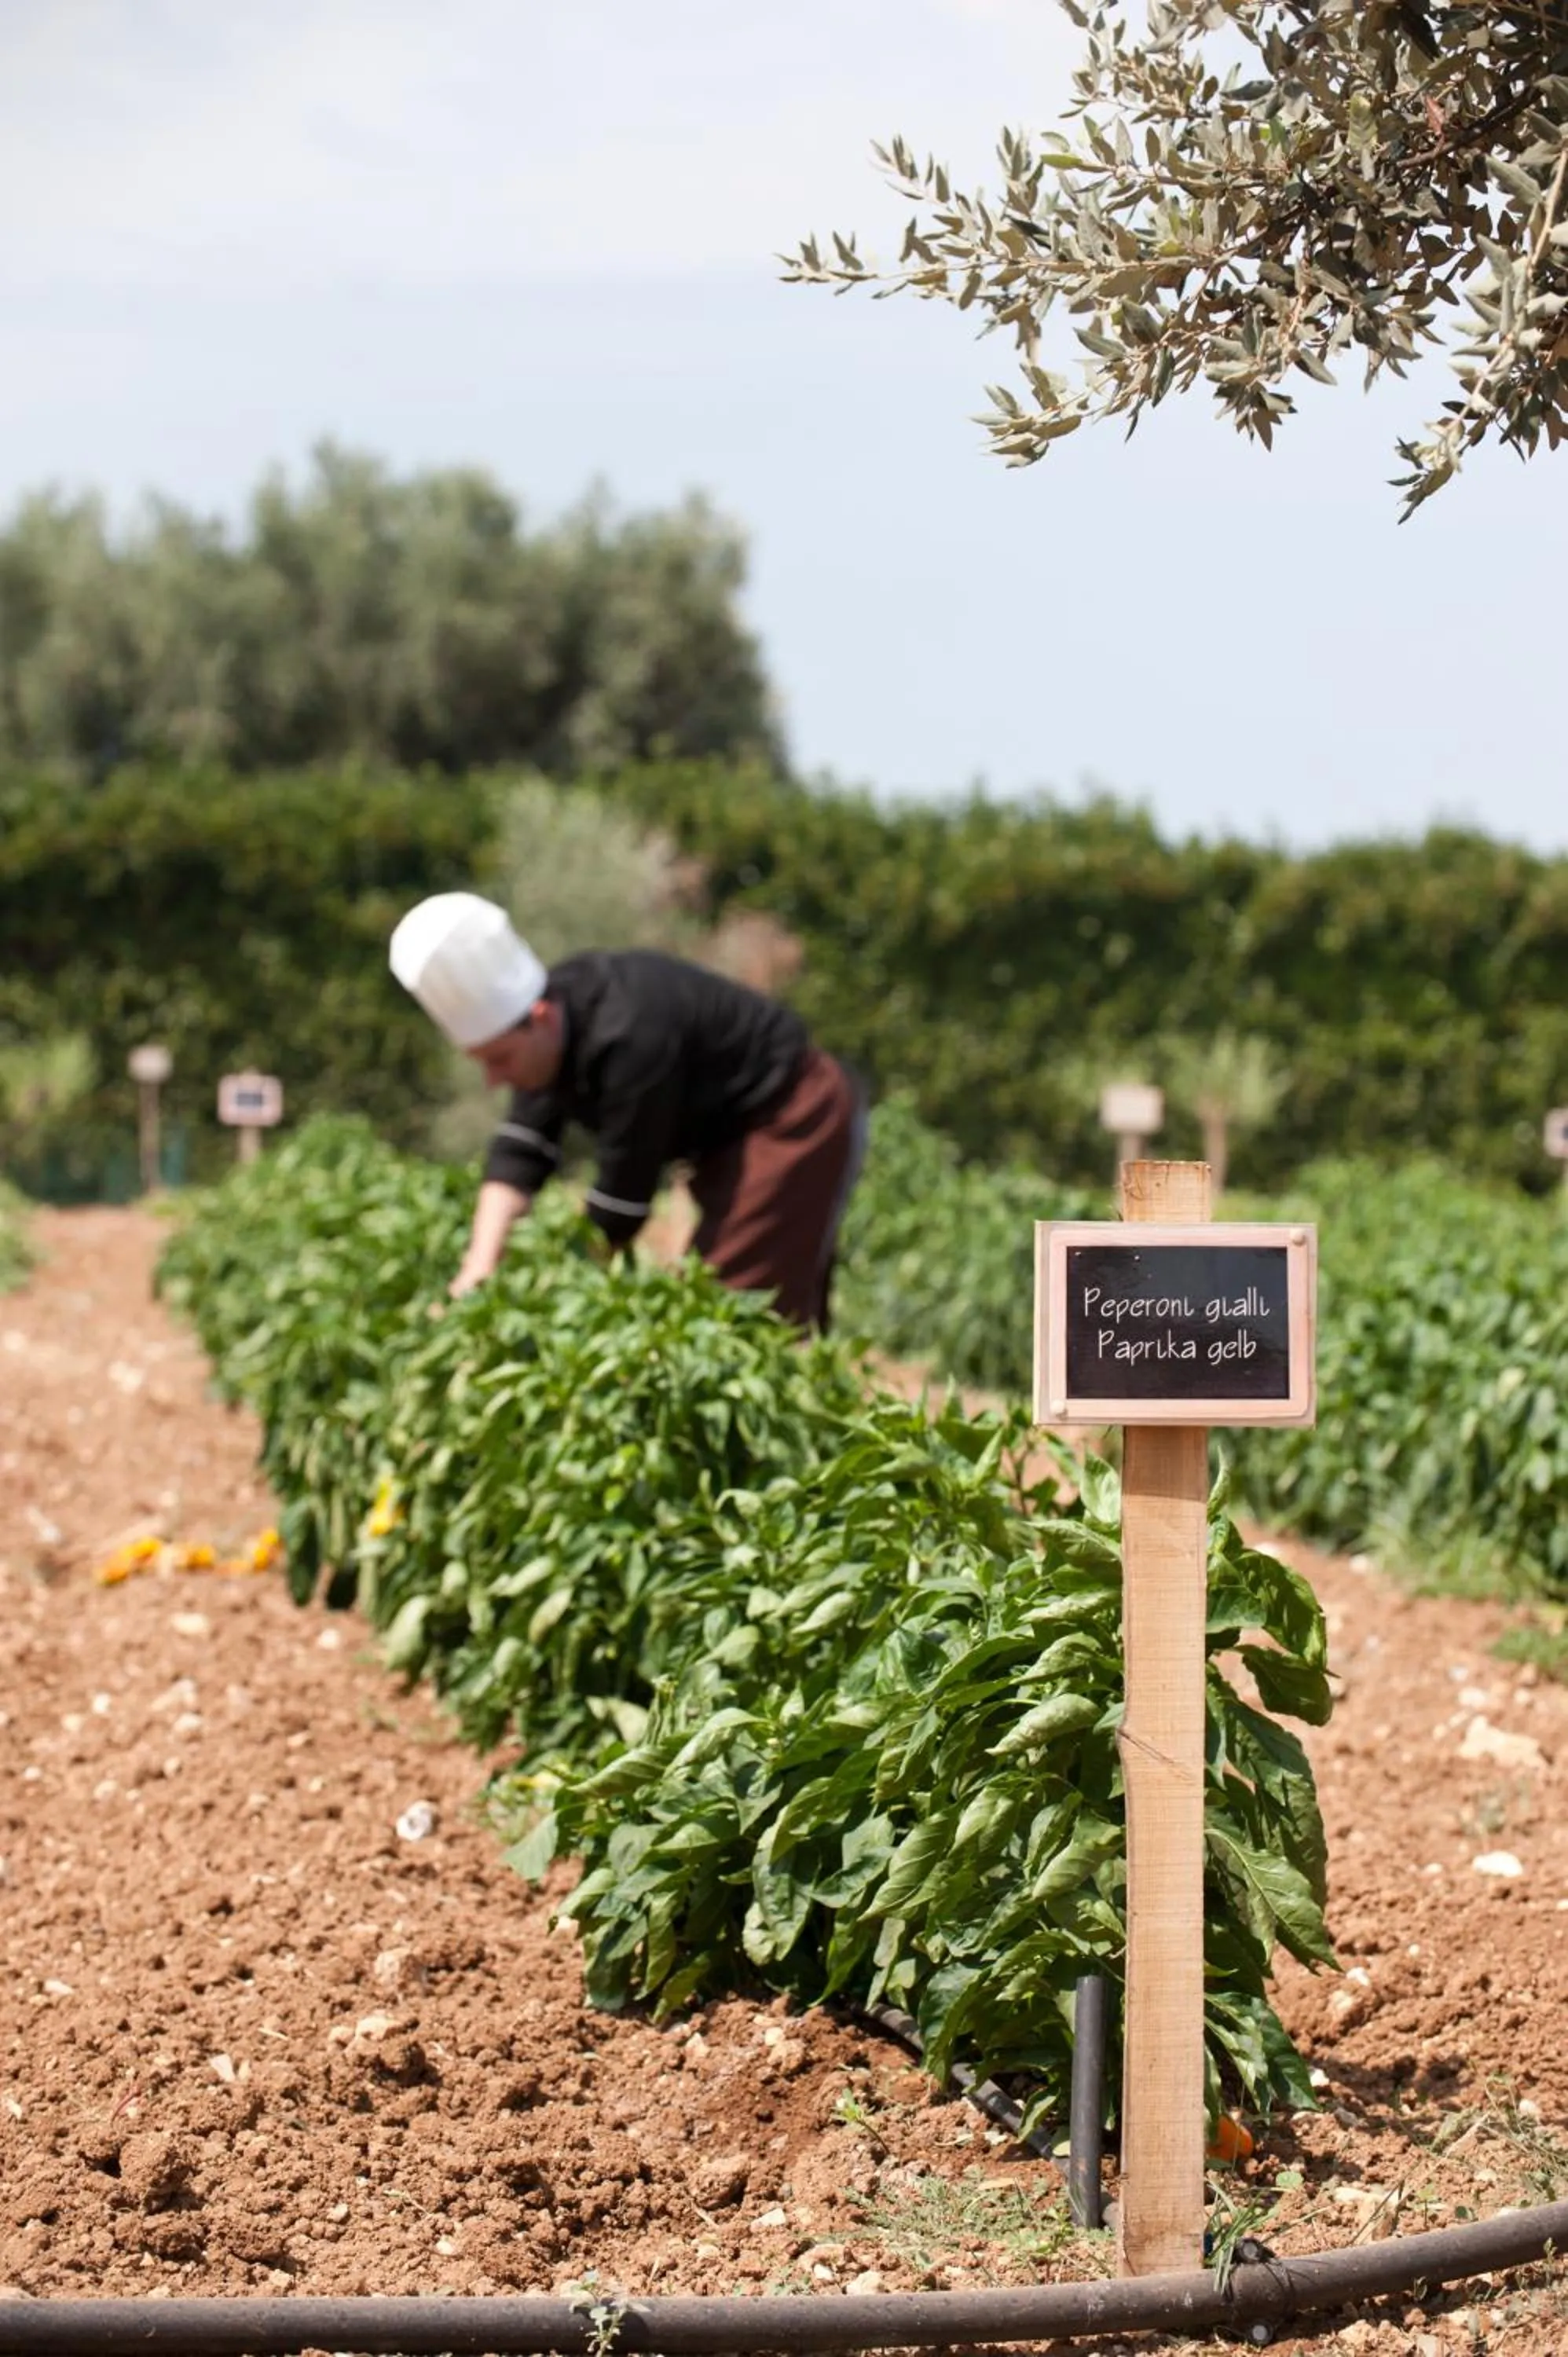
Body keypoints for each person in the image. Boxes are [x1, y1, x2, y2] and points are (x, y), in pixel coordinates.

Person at [389, 893, 866, 1331]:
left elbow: (621, 1203)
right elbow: (520, 1151)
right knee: (745, 1308)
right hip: (729, 1136)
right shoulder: (551, 1025)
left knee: (730, 1315)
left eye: (499, 1059)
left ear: (539, 1019)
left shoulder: (630, 1036)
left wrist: (546, 1298)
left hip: (793, 1115)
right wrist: (478, 1270)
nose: (494, 1079)